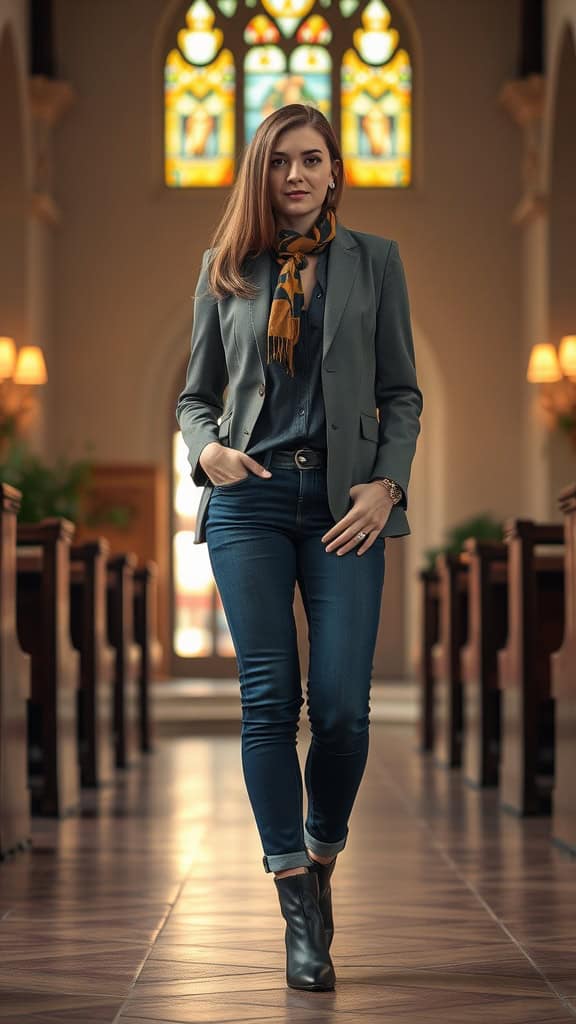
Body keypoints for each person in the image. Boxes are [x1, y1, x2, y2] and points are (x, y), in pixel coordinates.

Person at [176, 103, 423, 992]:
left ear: (333, 171)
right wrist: (204, 451)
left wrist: (385, 482)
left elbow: (402, 393)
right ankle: (294, 898)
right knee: (268, 699)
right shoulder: (224, 269)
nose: (296, 176)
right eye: (280, 161)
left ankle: (321, 854)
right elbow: (195, 397)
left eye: (311, 160)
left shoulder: (376, 263)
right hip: (248, 498)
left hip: (344, 503)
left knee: (345, 707)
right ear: (260, 171)